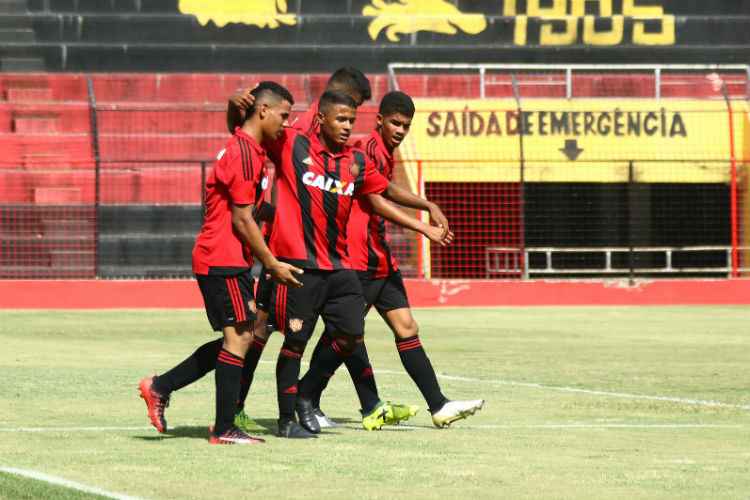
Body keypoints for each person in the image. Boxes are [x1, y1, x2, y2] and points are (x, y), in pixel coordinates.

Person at [264, 90, 452, 438]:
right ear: (322, 119)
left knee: (350, 334)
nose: (348, 126)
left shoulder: (355, 161)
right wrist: (239, 106)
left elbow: (382, 192)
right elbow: (258, 126)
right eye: (341, 119)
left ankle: (313, 397)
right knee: (282, 340)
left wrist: (425, 208)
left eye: (351, 119)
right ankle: (286, 417)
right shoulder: (295, 146)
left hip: (341, 268)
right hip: (303, 265)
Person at [304, 91, 484, 429]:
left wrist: (427, 205)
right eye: (396, 123)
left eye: (406, 126)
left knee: (405, 328)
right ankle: (306, 398)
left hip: (380, 258)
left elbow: (385, 188)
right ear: (381, 120)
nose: (401, 130)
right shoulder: (368, 149)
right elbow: (374, 199)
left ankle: (438, 404)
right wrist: (423, 227)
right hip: (360, 258)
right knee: (344, 335)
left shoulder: (386, 151)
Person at [137, 82, 302, 445]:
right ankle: (224, 427)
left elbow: (239, 125)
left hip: (231, 259)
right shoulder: (243, 154)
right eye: (283, 115)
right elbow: (242, 220)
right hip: (222, 258)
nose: (286, 124)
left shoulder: (249, 147)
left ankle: (161, 387)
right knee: (239, 338)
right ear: (263, 111)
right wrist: (272, 263)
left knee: (240, 337)